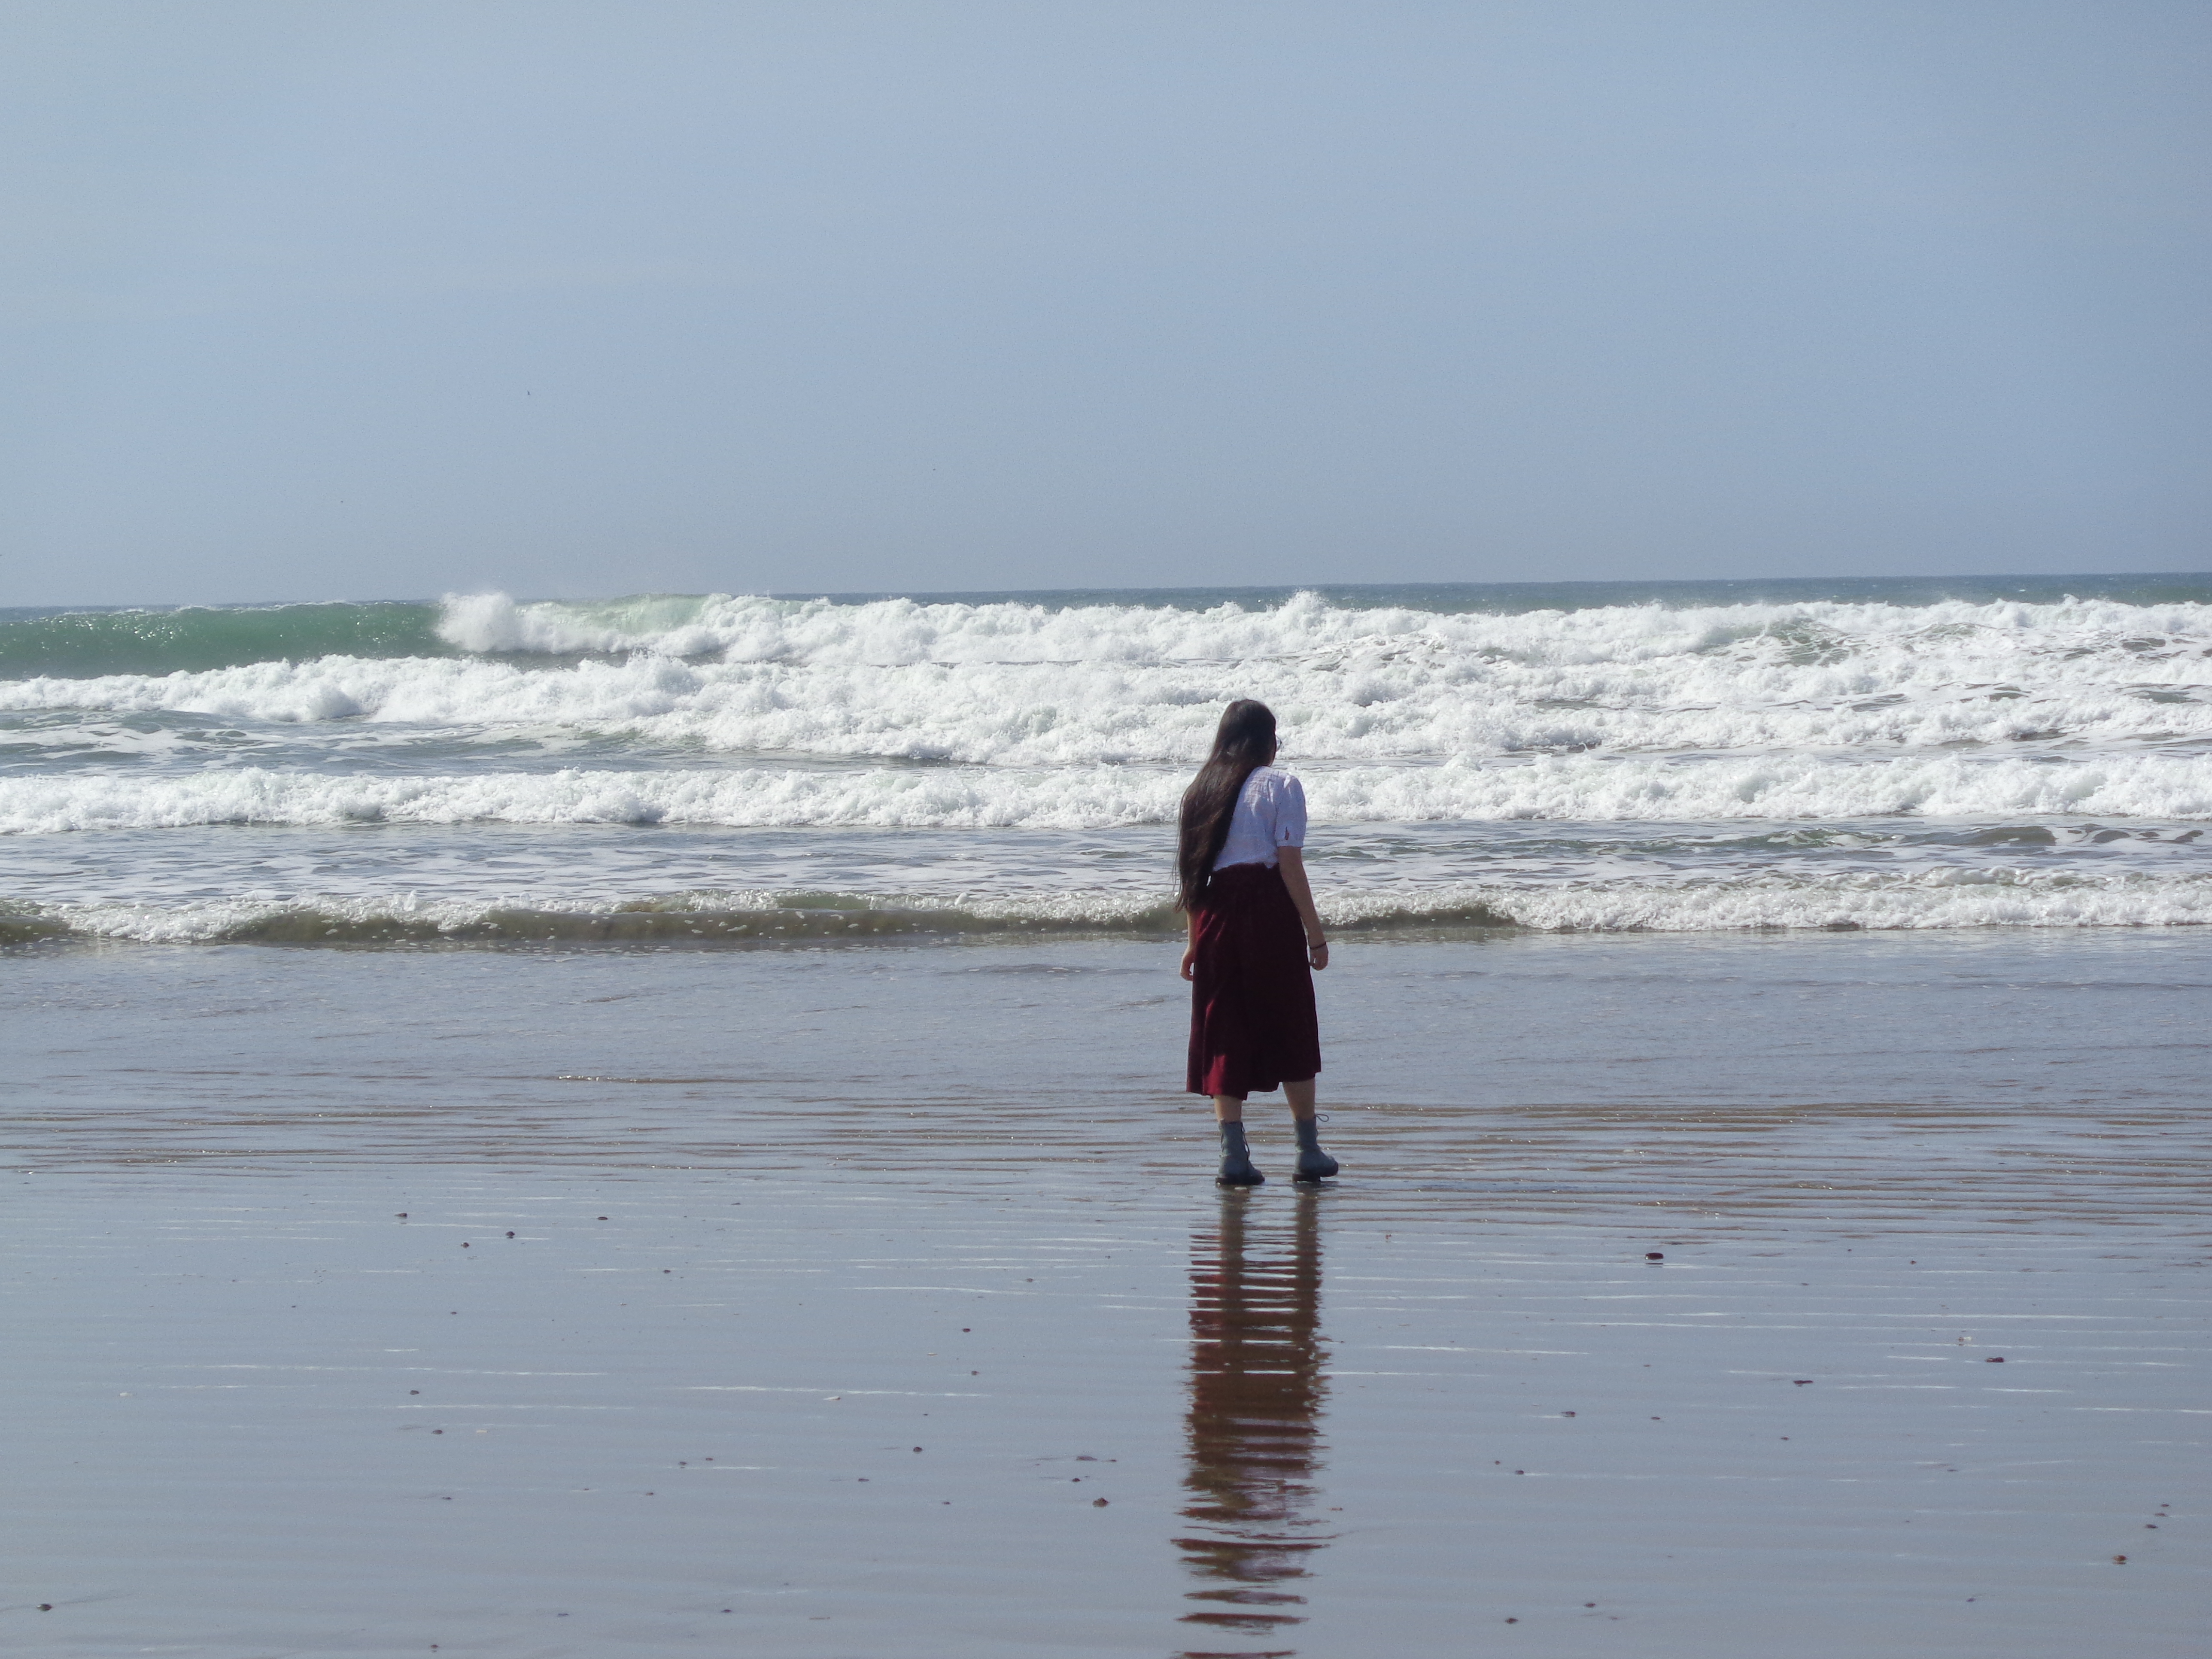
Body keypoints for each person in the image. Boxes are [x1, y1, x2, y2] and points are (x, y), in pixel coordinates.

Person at [1177, 699, 1339, 1186]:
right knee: (1289, 1018)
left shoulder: (1199, 791)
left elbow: (1193, 879)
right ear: (1266, 741)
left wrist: (1192, 943)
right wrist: (1315, 932)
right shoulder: (1281, 785)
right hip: (1267, 909)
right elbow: (1289, 864)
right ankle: (1307, 1150)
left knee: (1224, 1027)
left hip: (1216, 916)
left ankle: (1232, 1155)